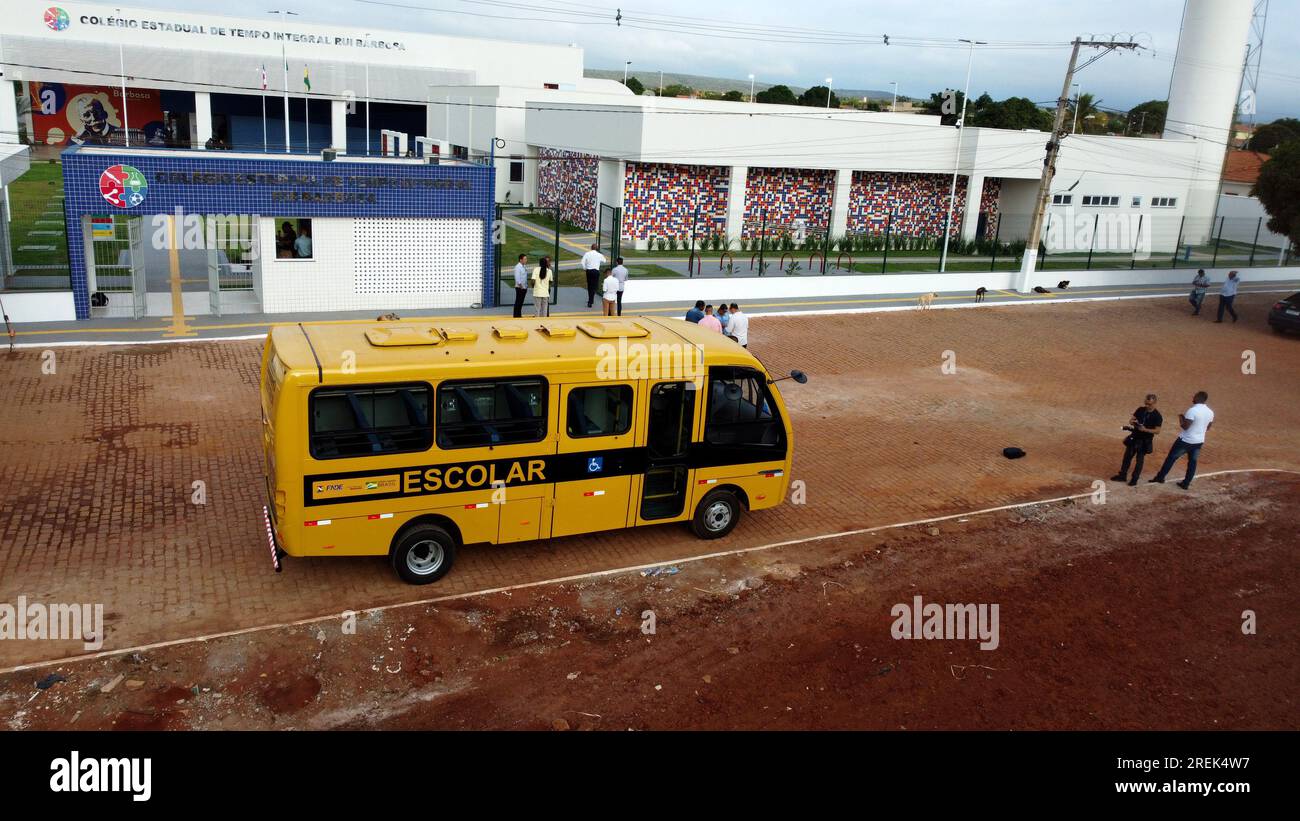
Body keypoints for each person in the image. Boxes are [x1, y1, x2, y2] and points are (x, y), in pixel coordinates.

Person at [1150, 391, 1214, 489]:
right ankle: (1186, 483)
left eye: (1194, 396)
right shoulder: (1210, 412)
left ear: (1198, 397)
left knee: (1171, 458)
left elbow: (1185, 426)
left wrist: (1181, 418)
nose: (1193, 397)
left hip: (1185, 441)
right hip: (1199, 441)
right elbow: (1208, 428)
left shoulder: (1193, 410)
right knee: (1192, 462)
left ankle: (1160, 477)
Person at [1111, 394, 1163, 486]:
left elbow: (1157, 431)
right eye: (1146, 403)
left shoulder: (1157, 416)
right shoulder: (1140, 409)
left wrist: (1145, 429)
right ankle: (1122, 475)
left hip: (1144, 441)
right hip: (1134, 437)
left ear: (1155, 403)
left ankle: (1134, 479)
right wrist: (1132, 421)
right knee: (1127, 457)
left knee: (1139, 461)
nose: (1147, 406)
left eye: (1149, 404)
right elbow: (1132, 419)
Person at [581, 244, 607, 308]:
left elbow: (582, 262)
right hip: (596, 271)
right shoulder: (599, 255)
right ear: (597, 248)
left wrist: (585, 268)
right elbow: (605, 260)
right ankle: (591, 300)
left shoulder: (587, 254)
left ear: (591, 248)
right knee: (594, 286)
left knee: (589, 286)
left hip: (589, 271)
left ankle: (590, 300)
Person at [512, 253, 529, 318]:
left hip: (524, 287)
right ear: (520, 260)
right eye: (525, 259)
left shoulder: (524, 266)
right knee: (518, 302)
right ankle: (516, 315)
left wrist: (525, 286)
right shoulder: (517, 267)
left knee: (521, 302)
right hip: (520, 288)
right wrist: (521, 287)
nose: (526, 260)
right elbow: (517, 278)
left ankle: (519, 315)